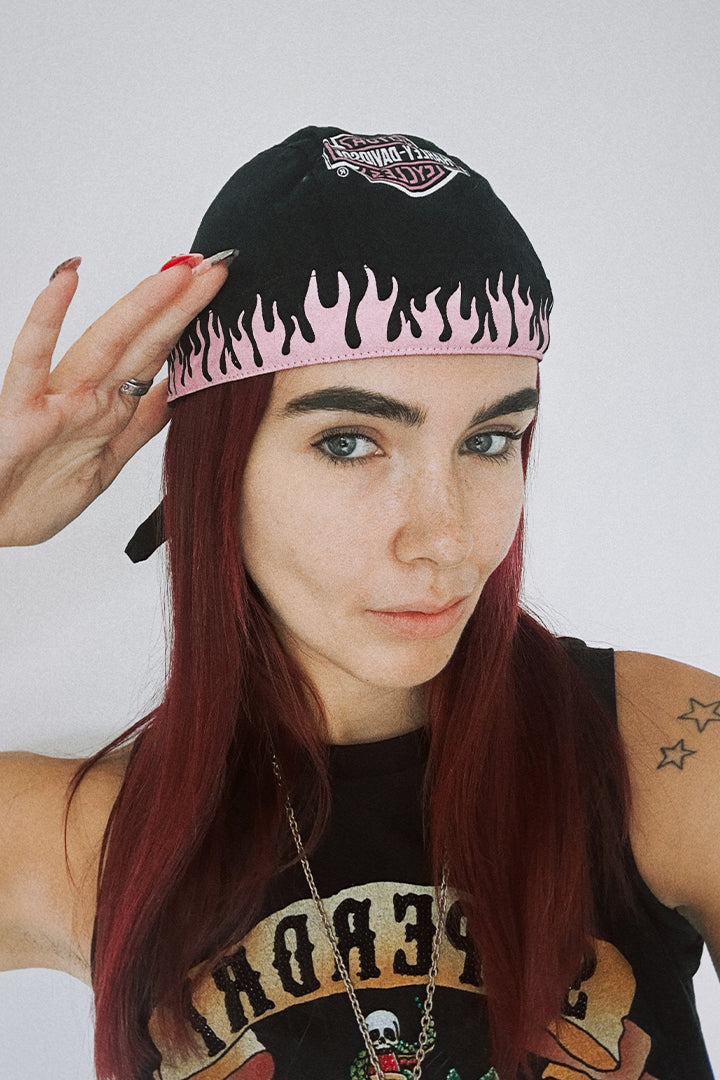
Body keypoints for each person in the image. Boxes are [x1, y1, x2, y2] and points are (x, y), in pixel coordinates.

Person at [0, 127, 717, 1080]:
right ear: (218, 469)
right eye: (348, 442)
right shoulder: (88, 841)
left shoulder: (667, 756)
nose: (444, 537)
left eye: (490, 440)